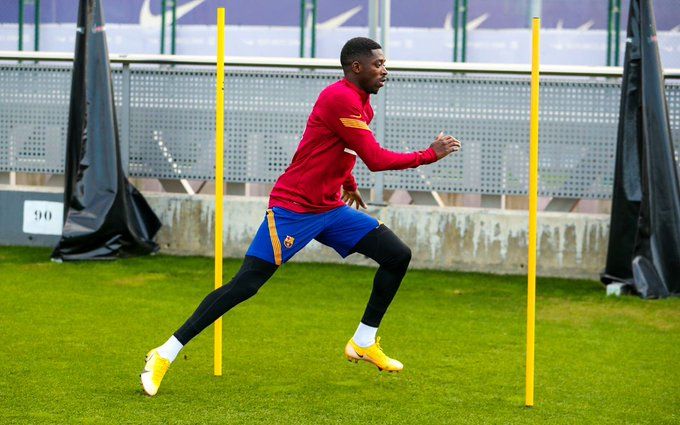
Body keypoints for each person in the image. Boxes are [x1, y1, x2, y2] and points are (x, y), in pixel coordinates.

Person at [141, 37, 461, 396]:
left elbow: (337, 147)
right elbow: (375, 158)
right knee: (246, 285)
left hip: (330, 208)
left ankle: (363, 341)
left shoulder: (362, 104)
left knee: (396, 255)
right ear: (356, 67)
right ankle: (164, 353)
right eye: (378, 64)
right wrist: (429, 155)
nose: (385, 70)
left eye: (385, 64)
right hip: (293, 209)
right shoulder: (339, 97)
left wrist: (348, 182)